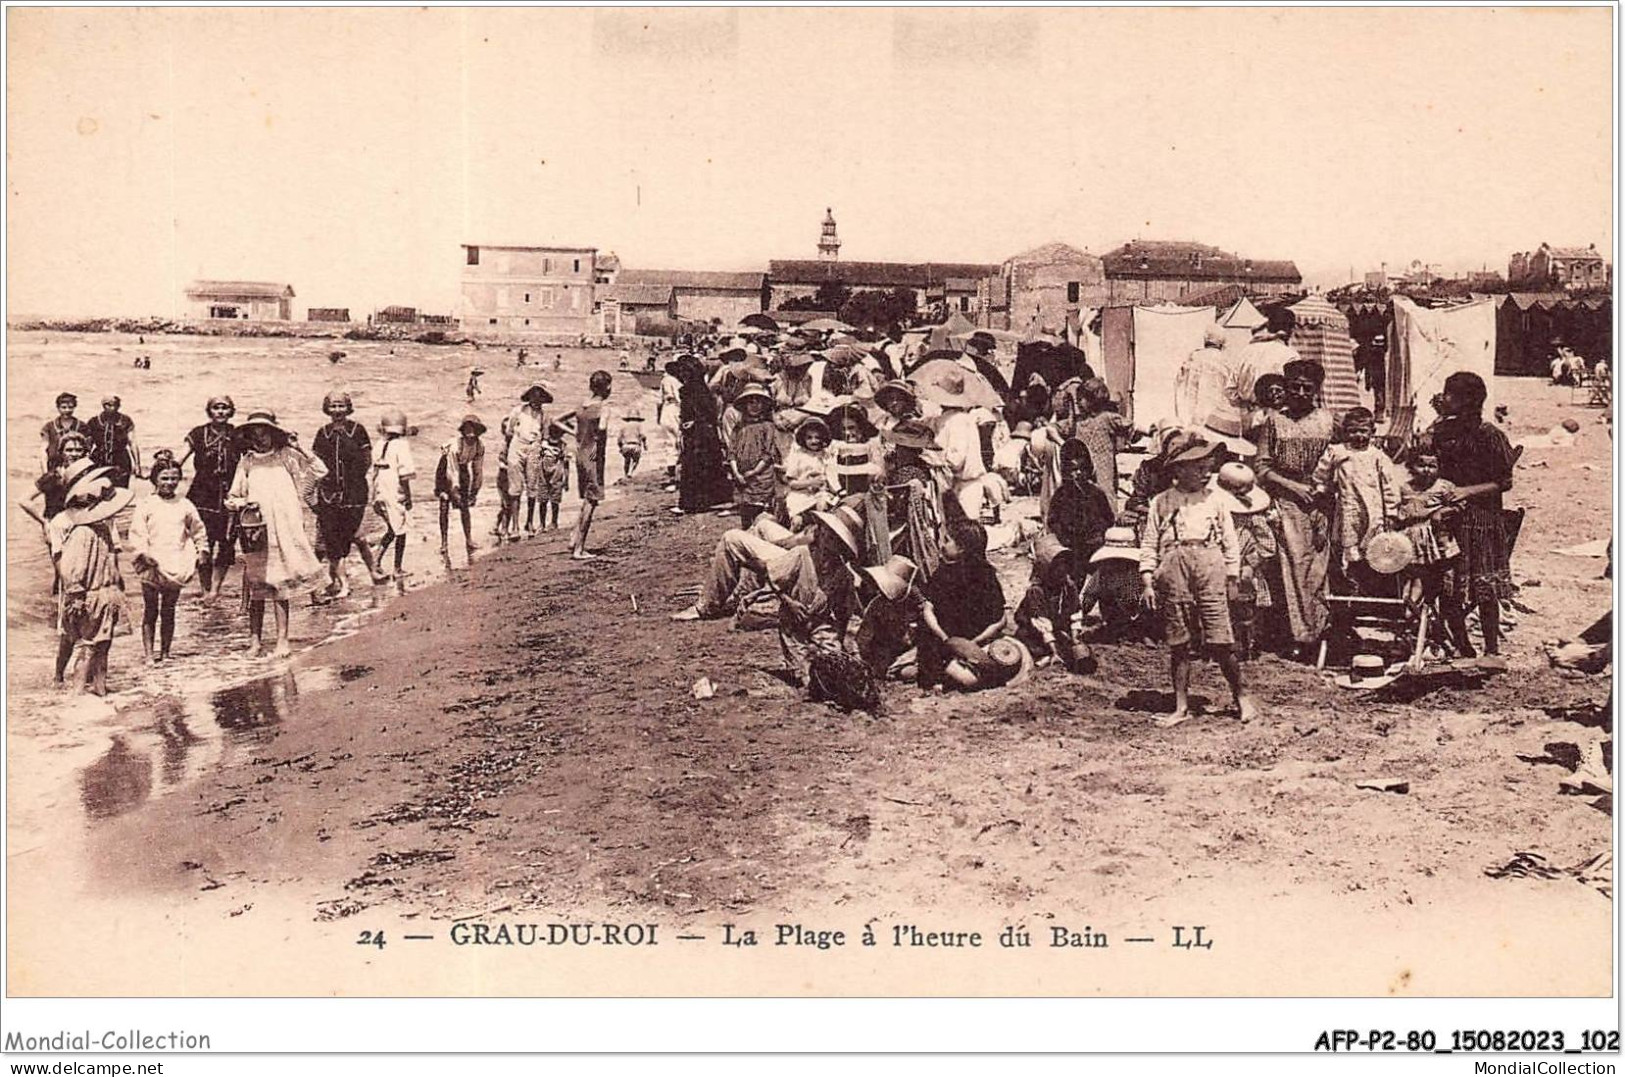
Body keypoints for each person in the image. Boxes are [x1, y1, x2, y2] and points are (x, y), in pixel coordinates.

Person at [1137, 432, 1256, 726]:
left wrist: (1232, 577)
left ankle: (1241, 698)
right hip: (1174, 564)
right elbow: (1150, 543)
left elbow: (1230, 542)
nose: (1207, 474)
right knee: (1179, 639)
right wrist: (1148, 581)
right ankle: (1180, 706)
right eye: (1199, 468)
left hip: (1209, 562)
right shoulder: (1161, 502)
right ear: (1179, 469)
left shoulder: (1215, 501)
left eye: (1208, 468)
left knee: (1220, 638)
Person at [225, 409, 328, 657]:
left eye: (265, 433)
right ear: (249, 436)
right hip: (257, 530)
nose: (261, 439)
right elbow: (232, 497)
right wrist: (243, 504)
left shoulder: (287, 456)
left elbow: (320, 471)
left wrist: (300, 447)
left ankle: (282, 639)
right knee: (257, 585)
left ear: (273, 434)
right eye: (255, 434)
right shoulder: (247, 461)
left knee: (281, 586)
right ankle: (255, 641)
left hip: (285, 527)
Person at [1429, 371, 1517, 659]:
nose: (1445, 398)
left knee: (1485, 587)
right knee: (1450, 586)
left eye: (1450, 394)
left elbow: (1504, 481)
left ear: (1468, 400)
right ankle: (1464, 646)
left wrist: (1466, 491)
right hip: (1451, 519)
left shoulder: (1490, 435)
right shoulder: (1443, 431)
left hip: (1483, 520)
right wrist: (1439, 419)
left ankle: (1491, 648)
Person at [1253, 359, 1336, 659]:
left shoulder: (1328, 421)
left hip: (1322, 502)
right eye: (1295, 387)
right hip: (1287, 502)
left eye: (1307, 388)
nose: (1301, 392)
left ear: (1316, 390)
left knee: (1319, 567)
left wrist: (1323, 490)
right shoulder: (1274, 422)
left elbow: (1342, 459)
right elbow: (1262, 468)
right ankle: (1301, 636)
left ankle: (1321, 628)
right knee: (1294, 566)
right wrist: (1295, 487)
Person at [51, 467, 133, 693]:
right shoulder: (88, 533)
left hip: (97, 596)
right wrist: (77, 595)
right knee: (94, 648)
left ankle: (95, 690)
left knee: (95, 646)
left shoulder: (90, 531)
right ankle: (85, 692)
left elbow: (76, 569)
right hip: (96, 597)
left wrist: (76, 594)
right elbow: (74, 570)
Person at [917, 514, 1013, 691]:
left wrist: (947, 639)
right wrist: (974, 643)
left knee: (926, 639)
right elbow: (1001, 620)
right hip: (975, 641)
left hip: (949, 642)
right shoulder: (986, 573)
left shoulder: (943, 574)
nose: (942, 545)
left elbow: (927, 610)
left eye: (947, 540)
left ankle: (946, 675)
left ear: (961, 548)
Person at [1311, 406, 1405, 586]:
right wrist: (1322, 488)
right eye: (1353, 431)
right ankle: (1350, 583)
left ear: (1372, 432)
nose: (1358, 436)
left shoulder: (1378, 456)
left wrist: (1391, 512)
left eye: (1363, 431)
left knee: (1373, 546)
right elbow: (1321, 474)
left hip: (1373, 509)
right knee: (1349, 545)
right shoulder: (1338, 451)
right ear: (1345, 432)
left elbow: (1389, 487)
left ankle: (1371, 585)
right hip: (1348, 507)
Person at [127, 459, 205, 664]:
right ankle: (149, 655)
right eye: (164, 478)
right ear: (154, 479)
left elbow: (198, 530)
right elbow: (137, 533)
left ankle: (166, 652)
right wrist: (143, 553)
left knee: (169, 609)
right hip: (151, 563)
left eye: (174, 478)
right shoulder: (146, 504)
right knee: (150, 608)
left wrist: (202, 549)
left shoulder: (185, 504)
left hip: (176, 562)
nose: (169, 482)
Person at [310, 392, 387, 597]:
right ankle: (346, 581)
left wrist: (352, 481)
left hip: (355, 493)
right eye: (333, 406)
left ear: (348, 407)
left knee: (354, 535)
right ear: (327, 409)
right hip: (329, 494)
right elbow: (315, 463)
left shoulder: (357, 430)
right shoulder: (322, 433)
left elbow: (366, 459)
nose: (337, 411)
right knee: (336, 539)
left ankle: (367, 573)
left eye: (341, 406)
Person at [176, 396, 243, 600]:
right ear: (209, 411)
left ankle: (215, 590)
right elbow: (180, 459)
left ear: (231, 411)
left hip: (230, 495)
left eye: (225, 408)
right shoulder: (198, 433)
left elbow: (258, 455)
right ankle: (205, 589)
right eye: (216, 408)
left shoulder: (238, 434)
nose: (220, 412)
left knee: (226, 544)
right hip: (202, 495)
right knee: (202, 543)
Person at [1212, 462, 1276, 661]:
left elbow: (1268, 546)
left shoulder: (1253, 517)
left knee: (1244, 610)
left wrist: (1250, 563)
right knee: (1216, 607)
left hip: (1243, 569)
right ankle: (1216, 646)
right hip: (1217, 565)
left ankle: (1243, 647)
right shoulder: (1215, 513)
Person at [1015, 533, 1094, 673]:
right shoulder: (1036, 591)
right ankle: (1047, 655)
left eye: (1064, 564)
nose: (1062, 569)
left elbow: (1075, 612)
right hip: (1033, 631)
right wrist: (1053, 651)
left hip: (1056, 628)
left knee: (1072, 648)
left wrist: (1075, 638)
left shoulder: (1068, 586)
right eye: (1057, 566)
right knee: (1037, 649)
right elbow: (1041, 623)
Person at [1068, 378, 1139, 515]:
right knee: (1083, 493)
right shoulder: (1079, 422)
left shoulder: (1107, 418)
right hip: (1084, 463)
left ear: (1093, 400)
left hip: (1103, 463)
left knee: (1105, 490)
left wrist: (1149, 431)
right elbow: (1056, 429)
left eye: (1082, 399)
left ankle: (1109, 522)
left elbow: (1129, 426)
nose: (1078, 402)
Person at [675, 355, 732, 514]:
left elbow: (709, 413)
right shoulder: (689, 389)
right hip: (694, 432)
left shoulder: (699, 389)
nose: (683, 374)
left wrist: (694, 422)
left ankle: (699, 502)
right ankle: (695, 501)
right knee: (695, 464)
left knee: (699, 465)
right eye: (681, 371)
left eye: (686, 371)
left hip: (703, 433)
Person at [1046, 439, 1115, 565]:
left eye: (1082, 469)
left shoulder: (1096, 493)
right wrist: (1065, 539)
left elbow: (1108, 518)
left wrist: (1098, 534)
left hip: (1095, 547)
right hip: (1069, 547)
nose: (1078, 473)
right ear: (1066, 471)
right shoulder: (1061, 495)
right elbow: (1053, 521)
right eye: (1074, 469)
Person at [570, 370, 613, 560]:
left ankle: (574, 538)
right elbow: (602, 429)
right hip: (593, 455)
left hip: (580, 453)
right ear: (607, 387)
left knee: (587, 498)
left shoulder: (582, 405)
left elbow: (556, 420)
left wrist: (578, 437)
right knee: (591, 500)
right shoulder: (603, 407)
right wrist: (598, 445)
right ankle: (579, 548)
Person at [370, 409, 415, 579]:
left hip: (379, 491)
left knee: (391, 529)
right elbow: (405, 474)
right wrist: (408, 496)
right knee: (401, 531)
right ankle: (397, 568)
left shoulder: (379, 444)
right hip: (393, 491)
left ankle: (376, 561)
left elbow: (374, 469)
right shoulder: (401, 446)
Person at [728, 383, 779, 528]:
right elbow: (731, 451)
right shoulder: (739, 427)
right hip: (742, 475)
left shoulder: (767, 426)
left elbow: (768, 453)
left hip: (761, 475)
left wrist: (755, 471)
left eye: (758, 402)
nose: (754, 405)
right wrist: (736, 472)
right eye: (750, 402)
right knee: (745, 510)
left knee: (760, 511)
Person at [436, 414, 486, 558]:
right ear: (463, 431)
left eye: (473, 429)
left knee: (465, 506)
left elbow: (478, 469)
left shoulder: (479, 446)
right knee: (444, 504)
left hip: (463, 469)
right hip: (445, 468)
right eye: (467, 429)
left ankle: (468, 539)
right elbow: (452, 471)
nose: (470, 432)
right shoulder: (455, 446)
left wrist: (475, 491)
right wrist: (454, 490)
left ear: (478, 431)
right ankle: (444, 543)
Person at [504, 385, 551, 535]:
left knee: (532, 486)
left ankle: (529, 522)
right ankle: (515, 526)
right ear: (529, 397)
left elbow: (545, 435)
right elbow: (509, 432)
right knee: (515, 487)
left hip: (535, 447)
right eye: (534, 396)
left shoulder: (544, 415)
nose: (537, 399)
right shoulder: (518, 411)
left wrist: (540, 448)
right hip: (517, 445)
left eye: (539, 397)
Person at [24, 430, 92, 528]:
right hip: (55, 527)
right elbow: (24, 500)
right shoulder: (54, 476)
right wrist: (44, 522)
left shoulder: (88, 475)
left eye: (78, 450)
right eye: (69, 450)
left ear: (85, 453)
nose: (74, 454)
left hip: (78, 527)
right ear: (61, 452)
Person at [781, 416, 837, 527]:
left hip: (820, 493)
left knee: (823, 506)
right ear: (803, 439)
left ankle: (820, 531)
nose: (814, 441)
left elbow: (831, 476)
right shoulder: (797, 456)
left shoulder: (825, 455)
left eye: (817, 438)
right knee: (797, 521)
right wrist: (811, 483)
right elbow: (792, 484)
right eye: (809, 438)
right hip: (801, 494)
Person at [84, 395, 140, 489]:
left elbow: (132, 442)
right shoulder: (94, 422)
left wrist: (137, 464)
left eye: (116, 405)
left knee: (121, 490)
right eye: (108, 405)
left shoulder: (125, 420)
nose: (112, 408)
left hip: (121, 460)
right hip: (99, 460)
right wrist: (84, 465)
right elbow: (88, 446)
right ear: (103, 406)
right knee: (98, 489)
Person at [830, 403, 883, 498]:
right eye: (843, 429)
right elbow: (831, 470)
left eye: (851, 428)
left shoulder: (871, 444)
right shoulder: (835, 445)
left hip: (867, 490)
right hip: (842, 491)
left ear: (860, 427)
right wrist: (837, 490)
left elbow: (878, 469)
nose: (847, 433)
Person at [537, 421, 571, 532]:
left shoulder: (563, 446)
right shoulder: (543, 445)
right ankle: (542, 524)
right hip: (543, 474)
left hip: (557, 475)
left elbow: (566, 464)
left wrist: (566, 480)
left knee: (555, 501)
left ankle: (554, 522)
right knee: (542, 499)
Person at [40, 391, 86, 472]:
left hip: (76, 467)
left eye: (70, 407)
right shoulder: (49, 427)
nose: (67, 410)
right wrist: (45, 472)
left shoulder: (82, 426)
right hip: (54, 467)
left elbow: (86, 450)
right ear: (58, 408)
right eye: (63, 407)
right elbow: (43, 451)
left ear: (75, 407)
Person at [618, 414, 647, 478]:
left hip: (626, 446)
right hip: (635, 446)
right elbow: (643, 436)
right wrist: (645, 445)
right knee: (636, 460)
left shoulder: (623, 426)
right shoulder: (639, 425)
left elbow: (619, 439)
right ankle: (630, 472)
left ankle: (625, 474)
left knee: (626, 460)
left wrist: (620, 447)